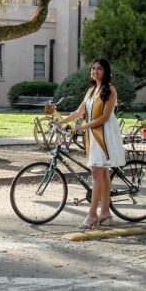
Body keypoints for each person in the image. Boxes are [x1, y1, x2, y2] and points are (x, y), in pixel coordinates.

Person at [54, 58, 125, 229]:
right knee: (103, 173)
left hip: (104, 134)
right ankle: (106, 214)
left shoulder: (110, 90)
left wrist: (83, 126)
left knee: (96, 172)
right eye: (93, 69)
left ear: (105, 72)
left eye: (99, 69)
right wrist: (61, 122)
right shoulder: (91, 91)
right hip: (93, 133)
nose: (95, 71)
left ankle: (92, 215)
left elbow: (105, 117)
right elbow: (79, 112)